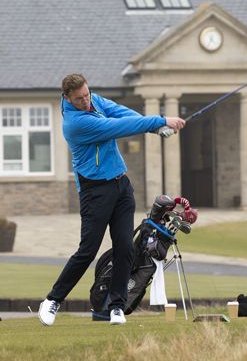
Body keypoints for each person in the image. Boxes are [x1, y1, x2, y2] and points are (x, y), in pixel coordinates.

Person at [38, 74, 185, 326]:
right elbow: (116, 127)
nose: (86, 101)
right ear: (67, 98)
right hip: (95, 192)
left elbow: (120, 112)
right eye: (79, 98)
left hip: (121, 186)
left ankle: (116, 306)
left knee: (125, 247)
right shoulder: (75, 123)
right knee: (87, 251)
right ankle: (53, 300)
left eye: (87, 94)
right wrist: (161, 121)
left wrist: (151, 126)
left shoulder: (92, 100)